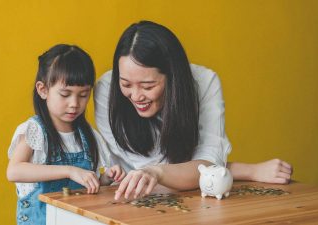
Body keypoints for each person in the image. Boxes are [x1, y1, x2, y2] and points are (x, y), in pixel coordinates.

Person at [94, 21, 293, 200]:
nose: (136, 96)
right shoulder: (106, 90)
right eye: (126, 84)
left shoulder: (205, 83)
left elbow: (208, 164)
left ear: (173, 77)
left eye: (147, 86)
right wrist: (246, 170)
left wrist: (157, 173)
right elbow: (200, 172)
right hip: (128, 199)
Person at [7, 44, 126, 225]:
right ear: (43, 90)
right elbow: (14, 171)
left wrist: (106, 178)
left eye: (83, 95)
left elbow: (87, 190)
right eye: (65, 94)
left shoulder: (88, 137)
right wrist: (70, 171)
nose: (74, 104)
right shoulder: (35, 131)